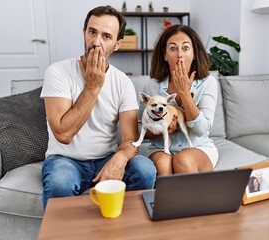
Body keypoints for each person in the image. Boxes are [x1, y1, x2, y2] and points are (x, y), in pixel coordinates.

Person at [40, 6, 156, 210]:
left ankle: (128, 229)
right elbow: (63, 134)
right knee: (60, 182)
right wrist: (93, 86)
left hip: (106, 157)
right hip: (66, 159)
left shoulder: (123, 82)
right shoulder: (57, 72)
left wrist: (119, 159)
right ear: (84, 32)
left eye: (106, 36)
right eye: (92, 32)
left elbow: (131, 139)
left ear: (117, 44)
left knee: (144, 169)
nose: (96, 42)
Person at [139, 24, 218, 175]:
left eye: (186, 48)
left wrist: (184, 93)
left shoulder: (208, 82)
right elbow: (140, 128)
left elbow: (201, 130)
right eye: (173, 48)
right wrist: (161, 128)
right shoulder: (152, 85)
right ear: (165, 54)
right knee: (163, 163)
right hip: (160, 147)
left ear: (194, 53)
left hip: (198, 147)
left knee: (183, 159)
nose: (179, 54)